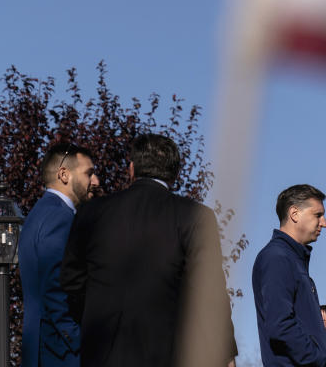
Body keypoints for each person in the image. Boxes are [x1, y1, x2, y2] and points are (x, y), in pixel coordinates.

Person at [60, 134, 237, 367]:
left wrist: (97, 311)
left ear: (131, 169)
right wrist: (226, 354)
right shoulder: (195, 217)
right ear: (175, 174)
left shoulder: (90, 213)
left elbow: (71, 282)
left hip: (102, 353)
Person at [19, 142, 99, 367]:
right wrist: (76, 338)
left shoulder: (39, 214)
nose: (95, 182)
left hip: (44, 348)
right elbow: (55, 284)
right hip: (60, 353)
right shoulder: (59, 217)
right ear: (64, 174)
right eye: (89, 173)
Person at [253, 184, 326, 366]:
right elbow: (280, 325)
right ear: (294, 214)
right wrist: (320, 361)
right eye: (318, 215)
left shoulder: (292, 260)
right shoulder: (277, 258)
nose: (324, 223)